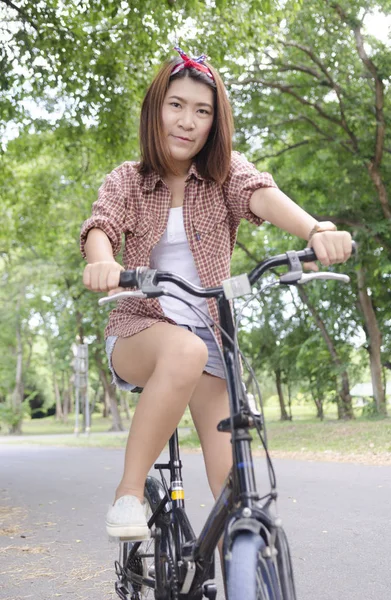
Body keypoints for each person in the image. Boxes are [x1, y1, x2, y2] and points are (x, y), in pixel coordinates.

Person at [80, 47, 352, 540]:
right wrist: (103, 262)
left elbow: (261, 194)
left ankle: (241, 562)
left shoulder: (223, 175)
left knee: (236, 490)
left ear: (214, 122)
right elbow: (102, 225)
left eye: (202, 111)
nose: (188, 121)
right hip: (139, 329)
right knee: (183, 349)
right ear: (155, 110)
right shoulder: (129, 179)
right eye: (176, 105)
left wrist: (316, 229)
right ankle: (129, 492)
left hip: (210, 336)